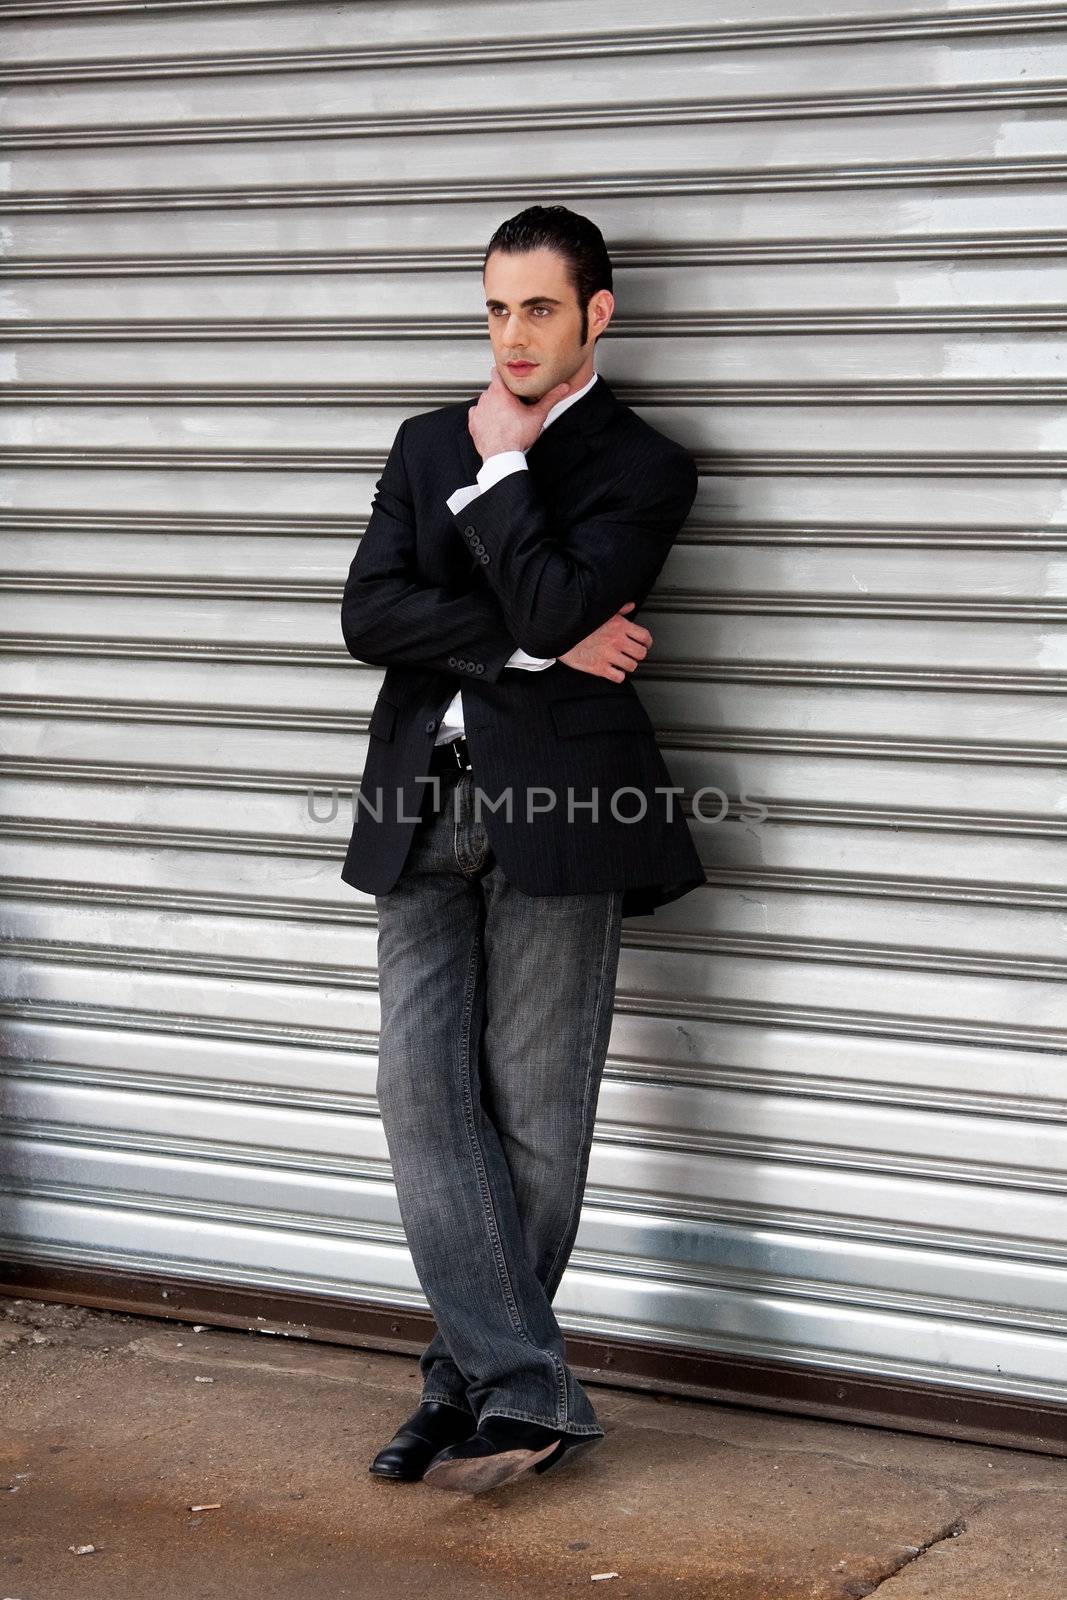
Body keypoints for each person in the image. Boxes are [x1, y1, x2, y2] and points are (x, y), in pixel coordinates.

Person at [339, 204, 703, 1495]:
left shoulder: (645, 465)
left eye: (538, 309)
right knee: (416, 1094)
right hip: (420, 807)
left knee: (538, 1123)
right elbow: (368, 612)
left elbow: (555, 593)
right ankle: (524, 1385)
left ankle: (467, 1387)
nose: (511, 337)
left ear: (597, 314)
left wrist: (500, 484)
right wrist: (528, 640)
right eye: (495, 309)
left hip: (567, 814)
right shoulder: (422, 439)